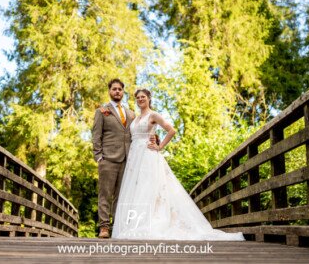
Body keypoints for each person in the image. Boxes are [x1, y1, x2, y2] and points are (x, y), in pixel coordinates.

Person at [111, 89, 245, 241]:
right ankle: (135, 224)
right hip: (135, 158)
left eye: (143, 97)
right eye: (138, 97)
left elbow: (171, 130)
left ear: (149, 99)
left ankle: (151, 223)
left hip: (148, 156)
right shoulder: (135, 119)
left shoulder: (153, 115)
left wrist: (160, 147)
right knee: (136, 190)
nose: (140, 99)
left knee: (149, 188)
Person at [92, 79, 134, 238]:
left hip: (127, 160)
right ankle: (104, 227)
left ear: (123, 92)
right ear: (109, 91)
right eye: (114, 89)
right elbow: (96, 135)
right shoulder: (102, 111)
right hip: (107, 159)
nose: (117, 91)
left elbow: (136, 133)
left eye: (120, 89)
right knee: (105, 194)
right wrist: (98, 157)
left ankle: (118, 226)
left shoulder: (130, 113)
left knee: (121, 196)